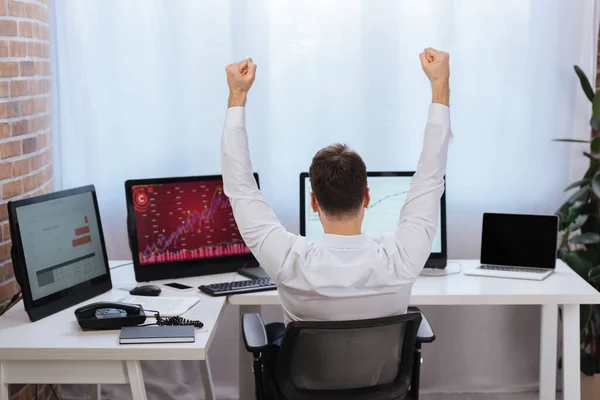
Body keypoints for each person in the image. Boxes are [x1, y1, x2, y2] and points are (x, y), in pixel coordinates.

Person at [221, 48, 451, 394]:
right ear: (367, 197)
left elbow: (239, 188)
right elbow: (431, 175)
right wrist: (440, 85)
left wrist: (237, 95)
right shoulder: (402, 258)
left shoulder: (289, 260)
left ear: (314, 203)